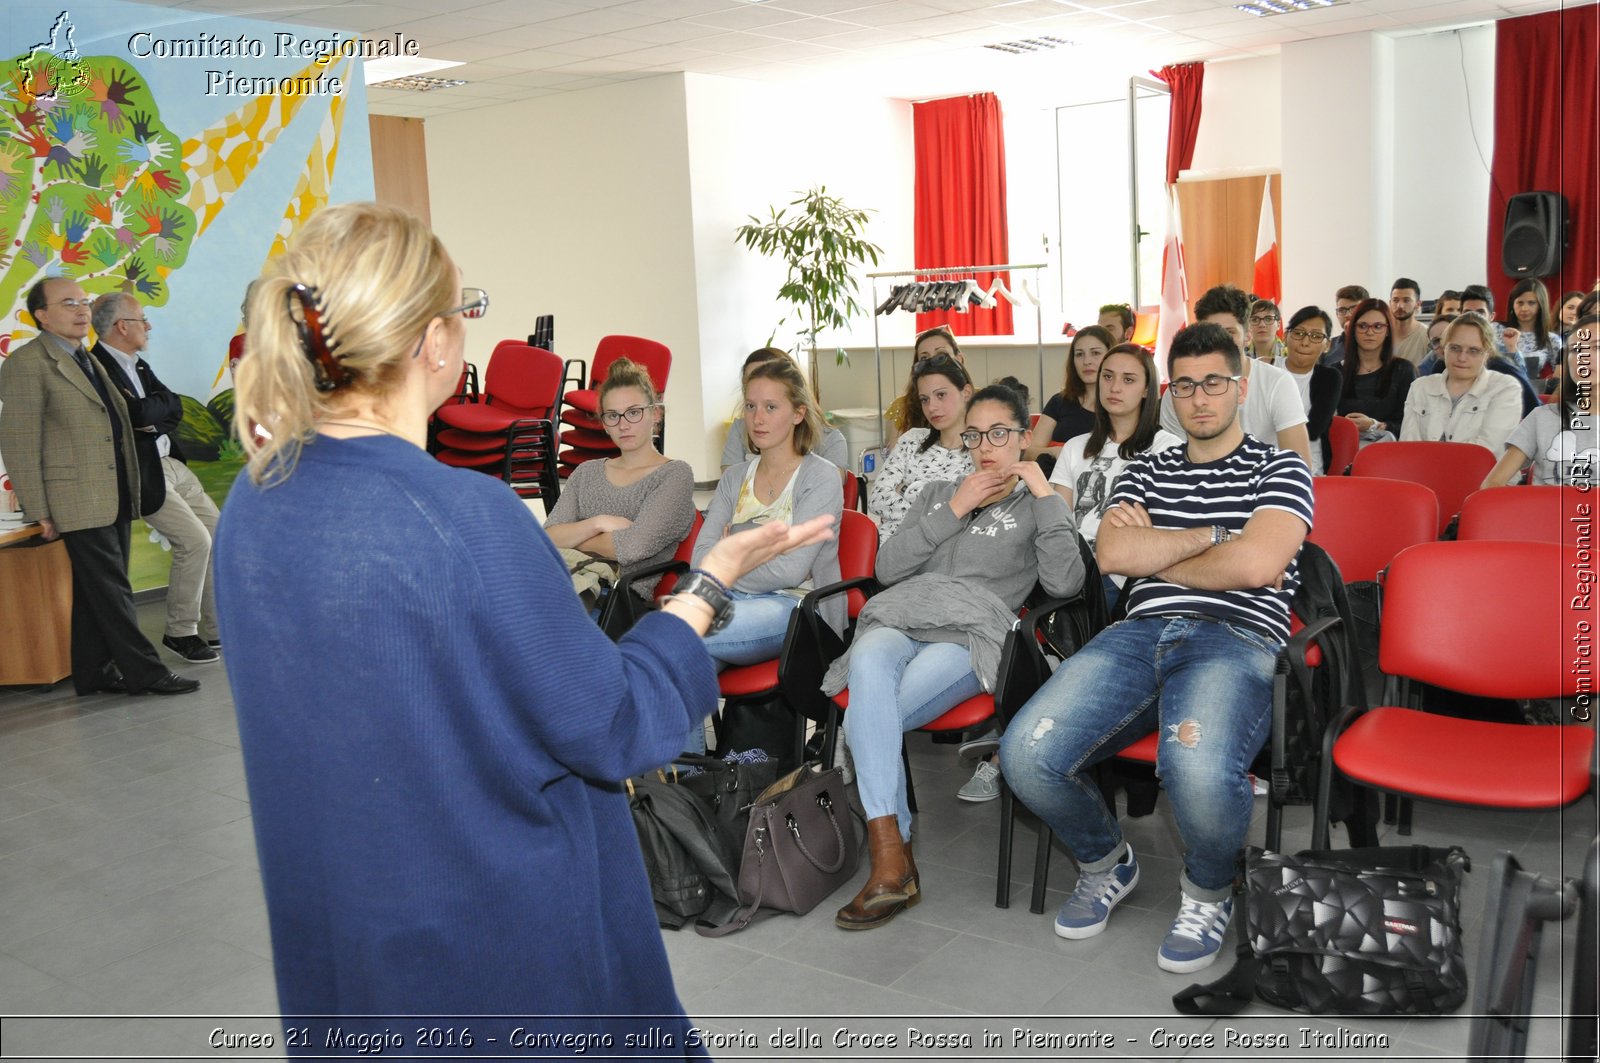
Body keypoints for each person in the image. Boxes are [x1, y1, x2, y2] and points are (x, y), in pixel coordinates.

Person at [214, 202, 833, 1050]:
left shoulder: (258, 496)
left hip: (347, 930)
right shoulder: (463, 514)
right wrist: (708, 583)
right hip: (494, 943)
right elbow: (612, 720)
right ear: (435, 345)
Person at [1002, 321, 1313, 975]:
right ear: (1171, 393)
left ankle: (1206, 889)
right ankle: (1106, 861)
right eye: (1188, 385)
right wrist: (1217, 534)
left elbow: (1258, 565)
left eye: (1216, 384)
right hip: (1137, 635)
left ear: (1241, 385)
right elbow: (1115, 552)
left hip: (1235, 637)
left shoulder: (1282, 467)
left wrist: (1164, 552)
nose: (1201, 399)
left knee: (1194, 767)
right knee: (1025, 753)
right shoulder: (1147, 468)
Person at [825, 383, 1084, 930]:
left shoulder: (1037, 504)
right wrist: (956, 506)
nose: (985, 446)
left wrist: (1045, 498)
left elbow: (1066, 580)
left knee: (871, 712)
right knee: (870, 658)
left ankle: (892, 863)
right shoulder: (940, 490)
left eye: (999, 433)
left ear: (1023, 437)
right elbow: (889, 569)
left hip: (969, 634)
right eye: (975, 435)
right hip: (903, 617)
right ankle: (892, 861)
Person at [0, 278, 198, 697]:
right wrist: (39, 508)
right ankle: (147, 673)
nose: (81, 310)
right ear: (41, 315)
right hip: (74, 497)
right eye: (68, 303)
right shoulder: (27, 363)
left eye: (84, 302)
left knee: (98, 591)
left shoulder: (87, 361)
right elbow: (19, 441)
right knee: (113, 589)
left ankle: (92, 672)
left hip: (115, 493)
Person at [694, 357, 844, 749]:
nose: (756, 418)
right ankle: (685, 792)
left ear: (798, 413)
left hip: (798, 611)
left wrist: (731, 554)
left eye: (771, 407)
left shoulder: (820, 476)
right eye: (750, 406)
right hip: (732, 600)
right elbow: (701, 558)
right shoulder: (733, 478)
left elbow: (791, 570)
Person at [90, 292, 222, 665]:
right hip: (146, 472)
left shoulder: (139, 366)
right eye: (142, 319)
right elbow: (133, 413)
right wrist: (149, 414)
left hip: (173, 465)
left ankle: (215, 629)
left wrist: (151, 415)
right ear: (122, 326)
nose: (148, 326)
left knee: (218, 533)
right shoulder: (97, 366)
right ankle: (181, 632)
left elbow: (172, 405)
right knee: (195, 541)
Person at [544, 357, 694, 601]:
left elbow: (634, 547)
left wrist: (573, 538)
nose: (623, 425)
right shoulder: (586, 472)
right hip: (562, 580)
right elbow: (549, 537)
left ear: (655, 414)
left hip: (615, 600)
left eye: (633, 412)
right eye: (613, 415)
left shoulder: (674, 475)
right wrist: (599, 523)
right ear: (604, 423)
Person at [1050, 343, 1182, 610]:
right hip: (1072, 566)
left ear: (1146, 389)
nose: (1115, 387)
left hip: (1122, 574)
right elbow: (1057, 520)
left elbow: (1159, 529)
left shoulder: (1168, 448)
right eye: (1107, 376)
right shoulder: (1075, 447)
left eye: (1128, 379)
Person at [1159, 284, 1312, 467]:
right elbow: (1171, 466)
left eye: (1229, 332)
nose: (1220, 341)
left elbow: (1299, 466)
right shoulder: (1179, 392)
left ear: (1248, 336)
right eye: (1212, 331)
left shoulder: (1277, 383)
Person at [1482, 314, 1598, 488]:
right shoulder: (1543, 418)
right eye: (1575, 349)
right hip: (1544, 514)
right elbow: (1493, 483)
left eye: (1597, 347)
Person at [868, 353, 973, 542]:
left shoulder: (980, 450)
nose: (931, 407)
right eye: (925, 399)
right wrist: (937, 513)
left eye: (941, 395)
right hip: (886, 550)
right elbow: (876, 499)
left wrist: (904, 489)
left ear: (966, 392)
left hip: (941, 559)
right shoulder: (912, 440)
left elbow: (964, 517)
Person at [1401, 315, 1523, 454]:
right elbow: (1408, 447)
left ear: (1487, 354)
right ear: (1443, 348)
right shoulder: (1420, 387)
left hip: (1483, 474)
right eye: (1455, 348)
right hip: (1422, 473)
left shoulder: (1505, 388)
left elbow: (1486, 451)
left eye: (1473, 351)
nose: (1462, 358)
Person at [721, 347, 847, 472]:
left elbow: (830, 485)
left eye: (771, 407)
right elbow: (730, 482)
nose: (758, 385)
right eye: (751, 380)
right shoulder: (739, 429)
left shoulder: (830, 438)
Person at [1029, 325, 1112, 463]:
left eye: (1095, 353)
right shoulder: (1059, 401)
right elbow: (1028, 453)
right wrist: (1054, 452)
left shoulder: (1120, 405)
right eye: (1079, 354)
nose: (1087, 361)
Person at [1275, 306, 1343, 475]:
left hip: (1306, 466)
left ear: (1327, 345)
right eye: (1298, 333)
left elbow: (1313, 430)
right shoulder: (1266, 368)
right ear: (1285, 336)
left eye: (1315, 336)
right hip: (1259, 460)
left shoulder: (1329, 378)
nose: (1305, 342)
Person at [1336, 297, 1415, 441]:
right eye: (1363, 326)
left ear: (1388, 330)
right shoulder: (1336, 372)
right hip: (1343, 450)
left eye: (1378, 326)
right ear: (1353, 329)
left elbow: (1410, 425)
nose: (1370, 332)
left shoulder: (1403, 370)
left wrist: (1375, 425)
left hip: (1387, 453)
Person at [885, 326, 966, 445]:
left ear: (959, 359)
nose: (932, 362)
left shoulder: (981, 400)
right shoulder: (902, 408)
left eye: (941, 355)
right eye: (924, 358)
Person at [1502, 278, 1564, 375]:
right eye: (1520, 303)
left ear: (1540, 305)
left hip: (1532, 388)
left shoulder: (1551, 339)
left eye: (1531, 303)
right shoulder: (1496, 329)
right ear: (1512, 304)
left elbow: (1559, 379)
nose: (1524, 308)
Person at [1321, 284, 1369, 367]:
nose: (1348, 315)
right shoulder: (1327, 348)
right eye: (1342, 310)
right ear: (1337, 314)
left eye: (1354, 309)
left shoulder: (1378, 345)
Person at [1389, 277, 1428, 366]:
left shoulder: (1426, 335)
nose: (1400, 306)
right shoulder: (1382, 332)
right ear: (1390, 302)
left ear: (1418, 304)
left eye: (1406, 300)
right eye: (1395, 300)